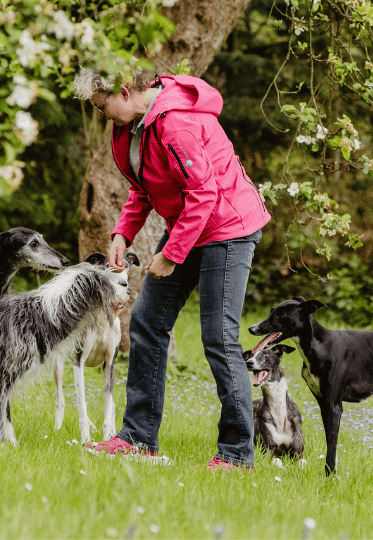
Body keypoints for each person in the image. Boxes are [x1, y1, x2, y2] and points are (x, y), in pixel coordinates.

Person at [73, 68, 271, 470]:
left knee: (218, 335)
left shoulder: (176, 123)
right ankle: (138, 438)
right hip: (191, 225)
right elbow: (144, 187)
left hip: (228, 227)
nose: (101, 114)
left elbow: (204, 193)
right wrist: (122, 234)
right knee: (147, 321)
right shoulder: (134, 126)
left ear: (125, 92)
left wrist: (172, 253)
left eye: (101, 105)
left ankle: (237, 454)